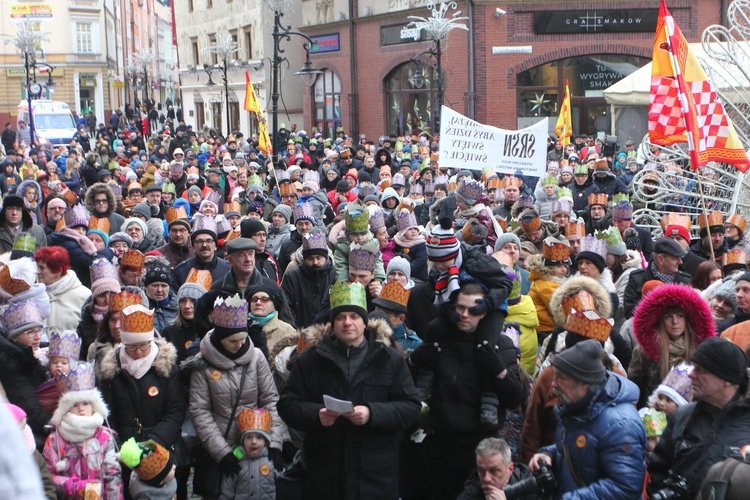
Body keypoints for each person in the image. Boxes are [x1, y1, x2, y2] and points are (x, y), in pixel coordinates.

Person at [278, 281, 421, 500]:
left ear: (364, 323)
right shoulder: (310, 360)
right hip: (325, 473)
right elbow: (287, 405)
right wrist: (317, 415)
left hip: (375, 475)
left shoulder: (389, 360)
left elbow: (411, 407)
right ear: (332, 322)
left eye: (354, 317)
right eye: (340, 317)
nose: (347, 323)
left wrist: (372, 414)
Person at [410, 283, 527, 498]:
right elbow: (413, 384)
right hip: (441, 442)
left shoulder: (500, 345)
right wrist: (413, 359)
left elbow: (516, 398)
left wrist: (498, 370)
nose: (465, 315)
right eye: (460, 308)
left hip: (478, 447)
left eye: (473, 310)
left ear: (485, 312)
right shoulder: (440, 337)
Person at [529, 339, 646, 498]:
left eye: (560, 378)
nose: (553, 384)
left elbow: (625, 488)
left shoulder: (620, 425)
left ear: (584, 383)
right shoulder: (575, 406)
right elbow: (580, 450)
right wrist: (549, 454)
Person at [98, 304, 187, 497]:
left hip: (164, 449)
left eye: (142, 347)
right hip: (128, 455)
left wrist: (151, 447)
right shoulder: (111, 372)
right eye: (132, 347)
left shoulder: (166, 368)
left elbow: (175, 411)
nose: (138, 352)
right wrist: (125, 450)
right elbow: (107, 415)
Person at [648, 337, 750, 498]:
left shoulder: (746, 426)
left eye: (701, 370)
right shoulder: (682, 416)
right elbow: (658, 467)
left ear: (727, 380)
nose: (691, 374)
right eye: (693, 367)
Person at [42, 363, 122, 499]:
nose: (81, 409)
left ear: (93, 405)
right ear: (66, 408)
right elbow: (48, 477)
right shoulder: (55, 439)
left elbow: (113, 476)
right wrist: (74, 487)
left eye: (85, 403)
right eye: (74, 405)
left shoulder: (104, 436)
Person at [630, 284, 715, 408]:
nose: (675, 322)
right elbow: (634, 387)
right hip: (653, 418)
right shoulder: (645, 350)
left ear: (687, 319)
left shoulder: (699, 350)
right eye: (668, 317)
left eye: (680, 316)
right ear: (660, 320)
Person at [280, 229, 336, 329]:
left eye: (319, 258)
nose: (315, 262)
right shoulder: (292, 277)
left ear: (325, 256)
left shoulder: (335, 276)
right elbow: (286, 308)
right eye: (310, 258)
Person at [624, 237, 692, 318]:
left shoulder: (685, 281)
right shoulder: (637, 279)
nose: (680, 262)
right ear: (660, 259)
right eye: (675, 258)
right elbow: (631, 313)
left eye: (680, 258)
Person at [220, 408, 277, 500]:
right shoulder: (236, 463)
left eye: (259, 437)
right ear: (243, 441)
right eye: (249, 437)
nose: (253, 442)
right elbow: (227, 492)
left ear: (266, 442)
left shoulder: (272, 461)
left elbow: (283, 487)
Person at [457, 438, 538, 500]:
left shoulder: (529, 488)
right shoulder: (470, 493)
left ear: (510, 469)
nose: (486, 478)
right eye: (481, 471)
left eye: (494, 471)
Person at [35, 246, 91, 332]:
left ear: (58, 271)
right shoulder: (33, 293)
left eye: (42, 268)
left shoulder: (85, 296)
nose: (37, 271)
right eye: (37, 267)